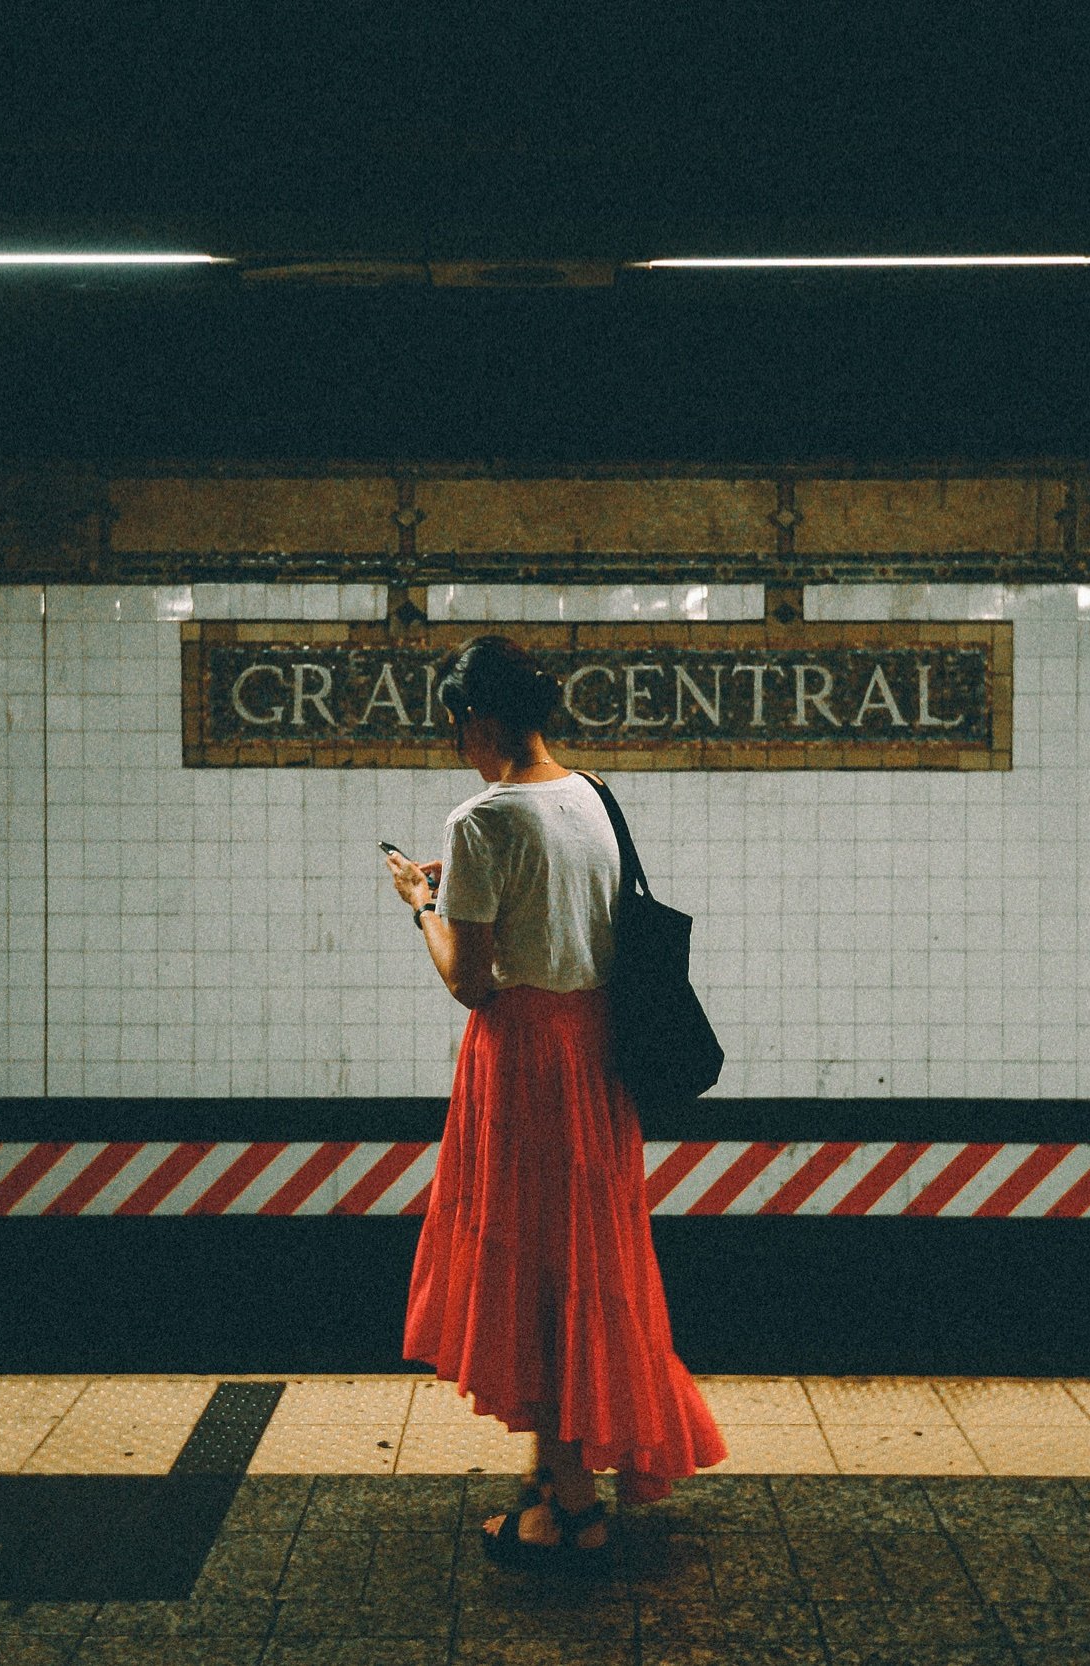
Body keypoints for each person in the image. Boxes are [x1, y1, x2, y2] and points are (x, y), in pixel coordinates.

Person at [385, 633, 727, 1567]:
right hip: (595, 1051)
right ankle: (550, 1476)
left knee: (535, 1261)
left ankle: (571, 1509)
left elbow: (470, 980)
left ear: (481, 719)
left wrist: (423, 904)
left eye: (458, 724)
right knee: (582, 1255)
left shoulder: (480, 822)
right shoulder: (595, 798)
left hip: (524, 1061)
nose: (459, 741)